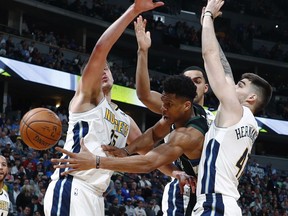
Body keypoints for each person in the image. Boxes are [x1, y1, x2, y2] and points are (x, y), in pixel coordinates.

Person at [43, 1, 164, 216]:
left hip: (97, 195)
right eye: (99, 69)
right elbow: (100, 49)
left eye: (107, 68)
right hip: (73, 185)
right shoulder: (87, 99)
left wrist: (178, 174)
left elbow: (151, 156)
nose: (104, 71)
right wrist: (133, 11)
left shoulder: (125, 119)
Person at [52, 74, 209, 211]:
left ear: (186, 105)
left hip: (210, 193)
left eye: (169, 105)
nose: (163, 108)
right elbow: (153, 134)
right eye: (163, 102)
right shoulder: (185, 113)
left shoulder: (189, 135)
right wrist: (126, 151)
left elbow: (148, 163)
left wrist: (96, 161)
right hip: (200, 188)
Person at [192, 0, 272, 215]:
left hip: (214, 204)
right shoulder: (247, 122)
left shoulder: (236, 111)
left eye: (241, 85)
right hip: (225, 204)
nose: (234, 85)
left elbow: (209, 58)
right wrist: (207, 27)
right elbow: (225, 70)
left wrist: (208, 15)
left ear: (252, 97)